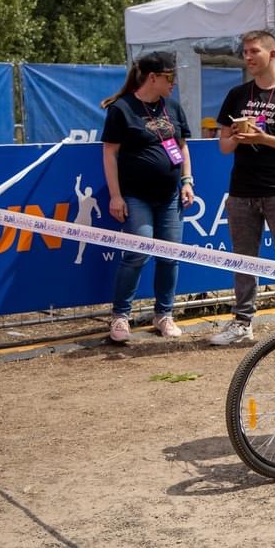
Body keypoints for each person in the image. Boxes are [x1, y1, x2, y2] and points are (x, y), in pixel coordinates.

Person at [210, 30, 275, 345]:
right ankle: (242, 323)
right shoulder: (237, 95)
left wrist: (264, 138)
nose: (247, 57)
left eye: (254, 51)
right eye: (244, 52)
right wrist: (237, 137)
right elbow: (224, 147)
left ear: (272, 54)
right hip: (242, 189)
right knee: (243, 258)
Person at [100, 51, 195, 342]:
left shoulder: (173, 108)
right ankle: (120, 316)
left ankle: (164, 314)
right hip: (135, 196)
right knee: (137, 254)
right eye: (170, 78)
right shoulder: (122, 109)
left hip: (170, 197)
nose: (174, 83)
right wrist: (116, 196)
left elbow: (182, 146)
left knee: (170, 257)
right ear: (152, 77)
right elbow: (109, 153)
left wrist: (187, 181)